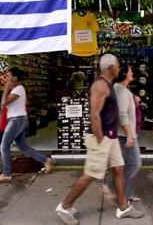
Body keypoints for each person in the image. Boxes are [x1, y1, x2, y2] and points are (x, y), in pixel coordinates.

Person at [56, 54, 144, 225]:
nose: (119, 69)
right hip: (101, 138)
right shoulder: (99, 85)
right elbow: (94, 115)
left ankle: (123, 207)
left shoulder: (109, 85)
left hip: (110, 137)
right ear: (110, 67)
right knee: (89, 175)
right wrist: (100, 140)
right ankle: (64, 207)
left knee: (118, 169)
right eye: (117, 66)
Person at [0, 67, 55, 182]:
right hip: (20, 119)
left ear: (14, 78)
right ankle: (46, 160)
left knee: (4, 146)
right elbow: (25, 102)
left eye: (8, 76)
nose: (5, 78)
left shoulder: (17, 90)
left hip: (16, 120)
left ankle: (7, 173)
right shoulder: (19, 89)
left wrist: (6, 89)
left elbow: (3, 103)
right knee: (22, 146)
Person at [104, 64, 142, 202]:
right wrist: (130, 135)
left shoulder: (120, 89)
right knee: (135, 164)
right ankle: (112, 187)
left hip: (122, 134)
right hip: (125, 135)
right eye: (130, 70)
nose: (133, 73)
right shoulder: (121, 91)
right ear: (125, 74)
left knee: (125, 164)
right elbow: (122, 115)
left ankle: (128, 193)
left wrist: (134, 97)